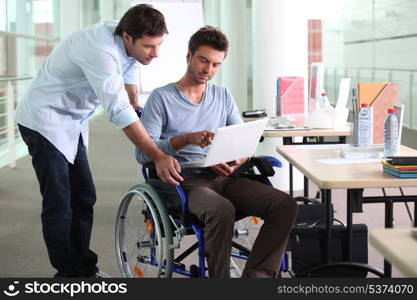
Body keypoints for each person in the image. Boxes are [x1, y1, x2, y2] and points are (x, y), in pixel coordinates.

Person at [14, 4, 183, 278]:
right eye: (149, 47)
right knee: (59, 200)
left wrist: (135, 104)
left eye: (158, 45)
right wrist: (157, 154)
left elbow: (128, 76)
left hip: (71, 120)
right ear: (128, 37)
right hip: (43, 120)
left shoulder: (126, 38)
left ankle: (83, 267)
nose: (156, 53)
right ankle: (67, 273)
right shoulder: (100, 50)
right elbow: (118, 111)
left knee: (84, 195)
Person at [136, 26, 298, 278]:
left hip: (225, 176)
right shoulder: (161, 98)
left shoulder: (222, 95)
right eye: (203, 60)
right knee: (221, 210)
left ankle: (257, 279)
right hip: (185, 182)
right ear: (189, 55)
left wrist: (237, 160)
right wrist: (185, 140)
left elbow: (242, 142)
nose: (208, 71)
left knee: (285, 204)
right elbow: (143, 155)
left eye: (215, 65)